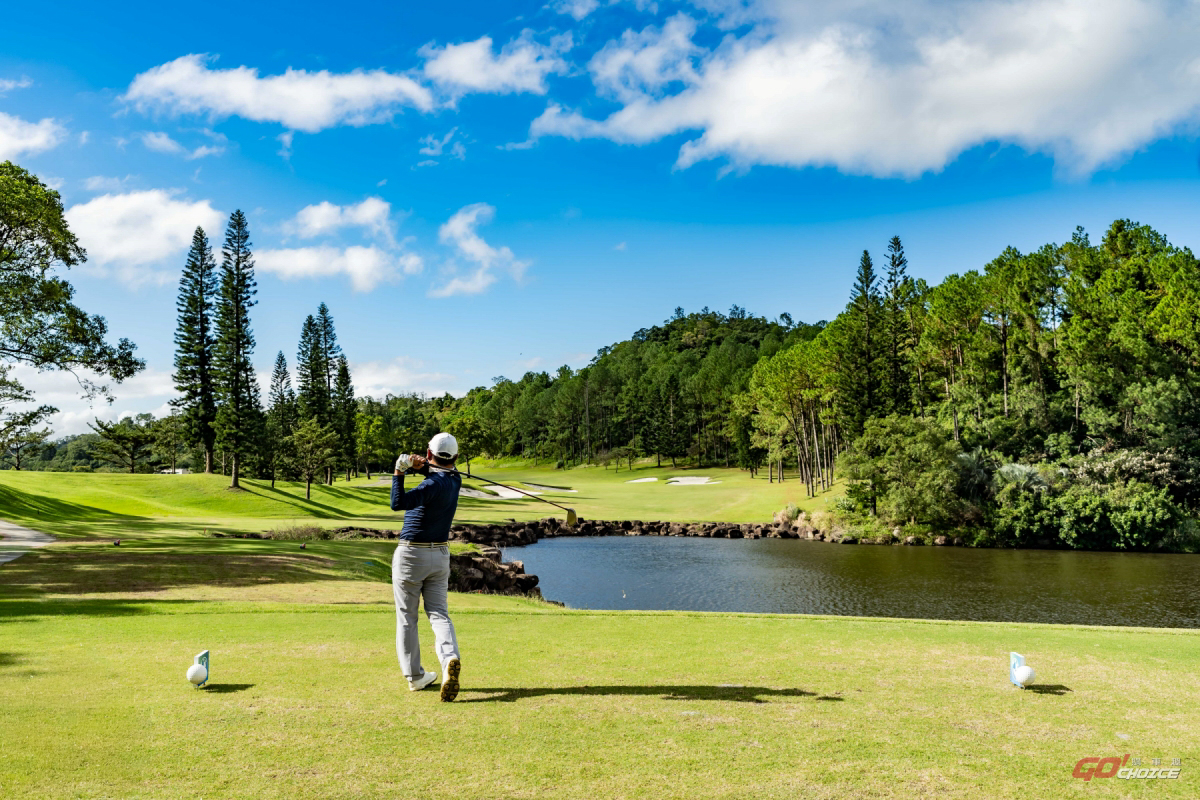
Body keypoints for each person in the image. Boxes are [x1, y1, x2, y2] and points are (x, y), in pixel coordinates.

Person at [390, 432, 463, 701]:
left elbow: (398, 503)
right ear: (455, 458)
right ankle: (449, 660)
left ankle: (416, 677)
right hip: (440, 554)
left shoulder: (431, 485)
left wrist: (399, 471)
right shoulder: (455, 480)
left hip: (411, 556)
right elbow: (436, 479)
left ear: (429, 453)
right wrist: (421, 468)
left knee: (407, 617)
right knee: (439, 613)